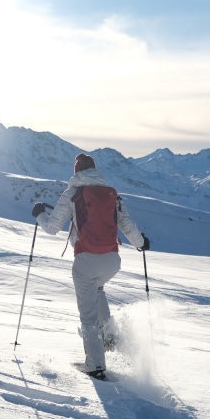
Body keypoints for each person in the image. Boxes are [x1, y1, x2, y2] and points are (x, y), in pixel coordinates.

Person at [32, 153, 149, 380]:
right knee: (97, 288)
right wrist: (142, 243)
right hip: (112, 261)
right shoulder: (111, 195)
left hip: (86, 260)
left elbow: (53, 227)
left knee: (88, 315)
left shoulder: (72, 194)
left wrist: (40, 215)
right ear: (95, 171)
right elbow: (127, 224)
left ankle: (95, 365)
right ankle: (109, 336)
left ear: (77, 172)